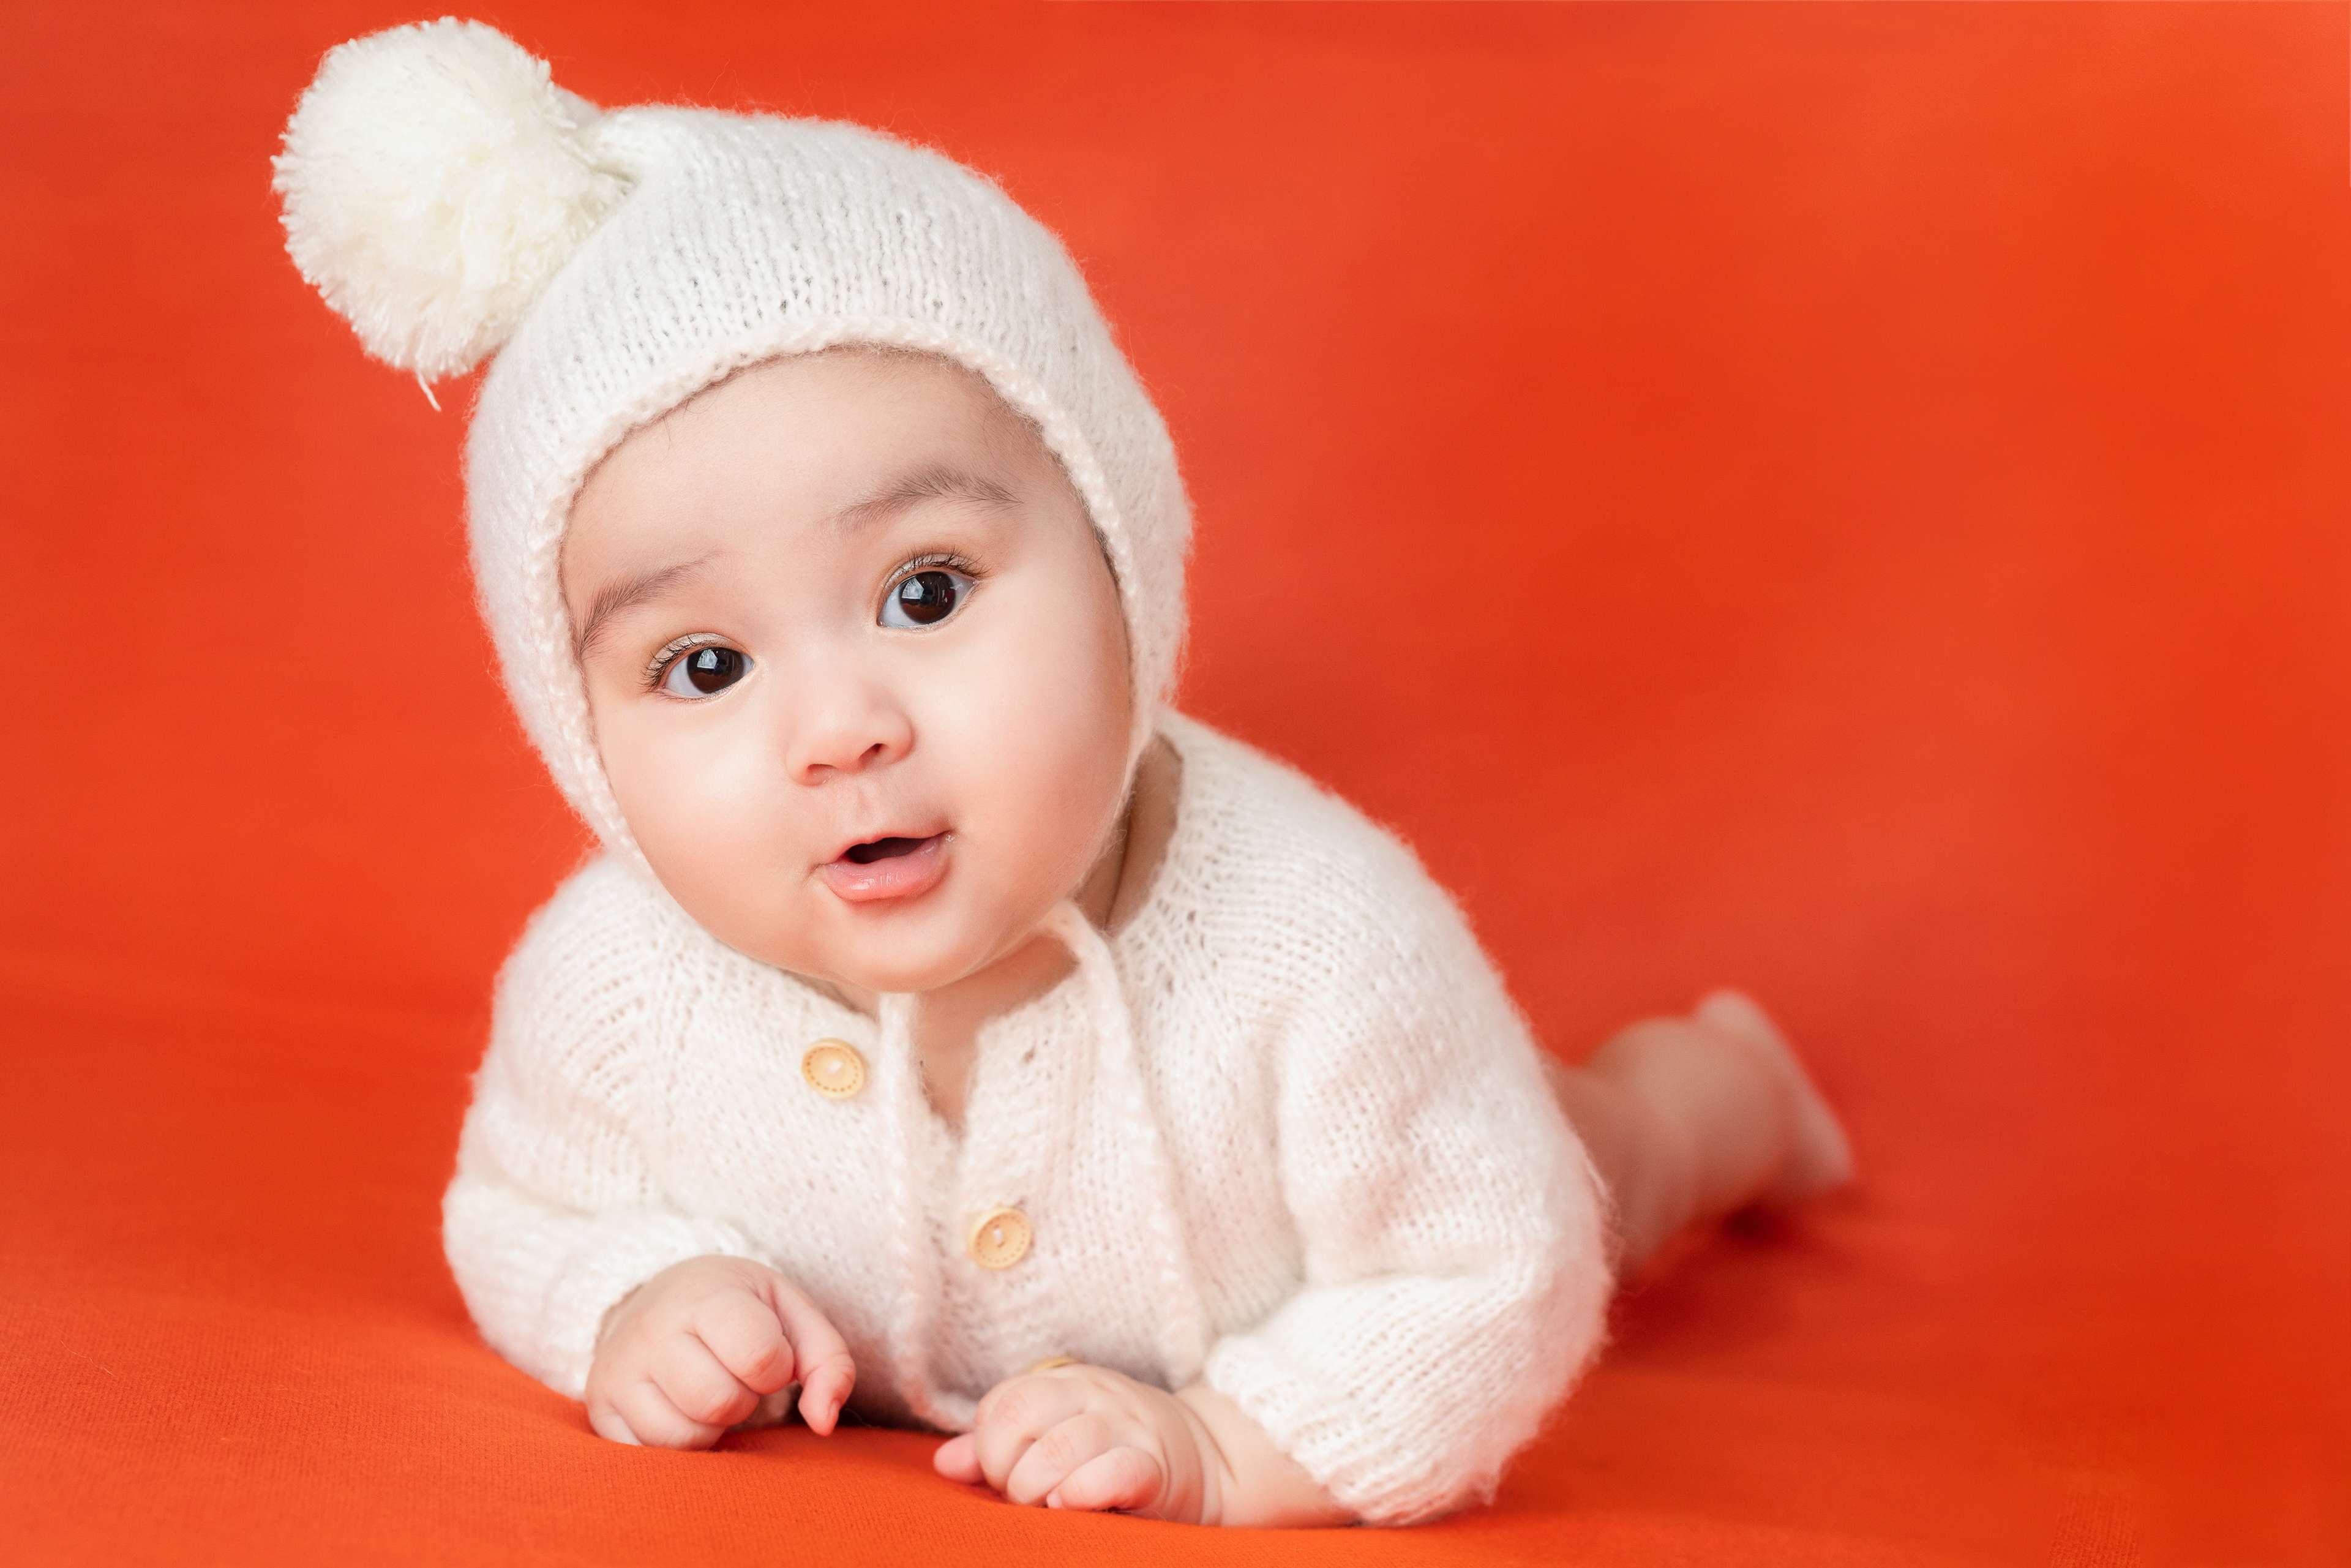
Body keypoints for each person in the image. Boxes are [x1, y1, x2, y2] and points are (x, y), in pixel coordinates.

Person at [274, 19, 1851, 1529]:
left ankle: (1733, 1089)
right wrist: (635, 1294)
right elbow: (524, 1212)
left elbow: (1489, 1277)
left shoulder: (1324, 948)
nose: (839, 730)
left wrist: (1224, 1447)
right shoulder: (612, 981)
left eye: (926, 592)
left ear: (1119, 556)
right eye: (704, 667)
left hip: (1374, 1217)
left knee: (1610, 1165)